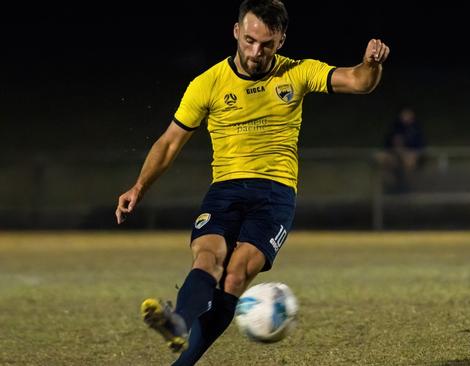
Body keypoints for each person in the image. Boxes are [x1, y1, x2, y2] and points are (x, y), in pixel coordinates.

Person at [114, 0, 390, 365]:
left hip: (275, 194)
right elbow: (169, 143)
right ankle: (178, 322)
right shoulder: (207, 84)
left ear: (281, 41)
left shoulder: (297, 73)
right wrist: (139, 187)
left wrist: (371, 65)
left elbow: (358, 82)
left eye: (266, 44)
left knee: (235, 276)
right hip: (225, 189)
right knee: (208, 258)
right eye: (249, 41)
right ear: (235, 31)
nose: (255, 52)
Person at [376, 106, 426, 193]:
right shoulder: (396, 127)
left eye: (408, 114)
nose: (406, 116)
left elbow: (420, 145)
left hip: (409, 155)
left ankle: (405, 187)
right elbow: (387, 143)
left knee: (408, 161)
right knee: (380, 158)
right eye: (404, 114)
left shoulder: (416, 128)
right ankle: (388, 188)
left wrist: (410, 151)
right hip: (394, 154)